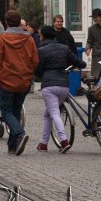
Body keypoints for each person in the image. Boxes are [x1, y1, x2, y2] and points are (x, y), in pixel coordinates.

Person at [0, 13, 38, 155]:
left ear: (6, 23)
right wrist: (29, 74)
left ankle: (19, 133)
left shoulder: (2, 39)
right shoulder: (29, 39)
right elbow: (35, 60)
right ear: (19, 23)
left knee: (6, 112)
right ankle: (12, 146)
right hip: (24, 81)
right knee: (16, 111)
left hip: (7, 80)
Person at [34, 23, 76, 151]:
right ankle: (43, 143)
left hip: (49, 86)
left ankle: (64, 141)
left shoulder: (41, 50)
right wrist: (81, 64)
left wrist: (39, 74)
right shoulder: (64, 48)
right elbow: (77, 61)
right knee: (48, 114)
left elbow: (38, 71)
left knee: (54, 113)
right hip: (64, 85)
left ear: (43, 36)